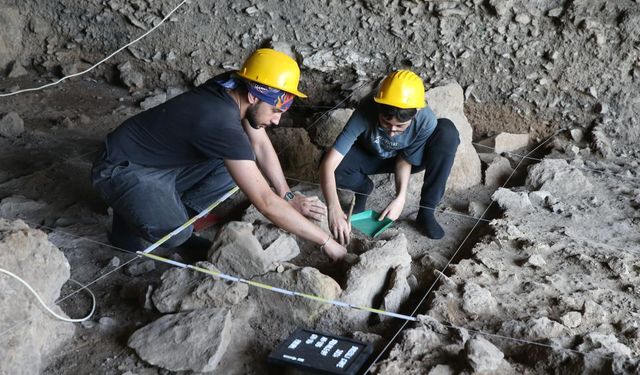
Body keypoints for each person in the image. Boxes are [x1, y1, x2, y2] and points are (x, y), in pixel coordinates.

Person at [91, 48, 347, 261]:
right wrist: (326, 242)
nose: (278, 120)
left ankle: (169, 211)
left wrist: (287, 194)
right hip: (120, 168)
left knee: (235, 164)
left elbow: (258, 143)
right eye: (275, 110)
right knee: (176, 234)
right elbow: (266, 203)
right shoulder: (220, 122)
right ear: (253, 96)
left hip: (157, 158)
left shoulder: (233, 85)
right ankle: (133, 219)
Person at [319, 70, 459, 244]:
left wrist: (400, 198)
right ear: (378, 108)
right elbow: (329, 164)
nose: (392, 132)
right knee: (333, 167)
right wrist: (333, 208)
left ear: (414, 114)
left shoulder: (425, 119)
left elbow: (405, 159)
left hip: (405, 159)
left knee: (447, 132)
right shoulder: (366, 109)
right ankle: (363, 189)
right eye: (386, 123)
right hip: (371, 154)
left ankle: (426, 212)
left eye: (400, 127)